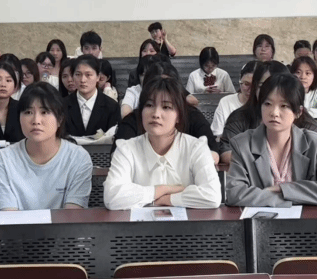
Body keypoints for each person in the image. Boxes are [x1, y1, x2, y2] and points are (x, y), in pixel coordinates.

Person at [226, 74, 317, 208]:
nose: (274, 113)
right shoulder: (242, 144)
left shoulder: (313, 142)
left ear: (298, 112)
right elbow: (234, 194)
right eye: (267, 104)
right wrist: (290, 200)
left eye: (284, 106)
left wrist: (282, 189)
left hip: (306, 220)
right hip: (259, 220)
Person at [104, 76, 221, 210]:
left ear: (179, 115)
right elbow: (111, 197)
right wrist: (163, 189)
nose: (156, 114)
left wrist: (165, 200)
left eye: (166, 107)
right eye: (149, 105)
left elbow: (212, 196)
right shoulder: (126, 149)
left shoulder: (196, 148)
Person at [0, 83, 93, 210]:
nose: (36, 121)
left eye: (44, 112)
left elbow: (72, 215)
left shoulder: (78, 158)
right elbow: (9, 215)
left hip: (64, 223)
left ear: (59, 119)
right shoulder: (4, 159)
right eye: (28, 112)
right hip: (16, 224)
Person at [219, 61, 317, 164]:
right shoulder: (240, 117)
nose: (271, 91)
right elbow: (227, 152)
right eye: (263, 86)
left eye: (278, 86)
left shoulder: (302, 118)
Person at [115, 61, 220, 164]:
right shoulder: (134, 118)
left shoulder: (192, 115)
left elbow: (212, 154)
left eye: (167, 86)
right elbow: (118, 156)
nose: (156, 114)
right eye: (156, 86)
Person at [63, 55, 120, 137]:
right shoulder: (62, 105)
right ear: (73, 76)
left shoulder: (112, 107)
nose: (83, 80)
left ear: (98, 77)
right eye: (78, 74)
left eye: (88, 75)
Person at [210, 61, 257, 137]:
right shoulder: (226, 102)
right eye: (246, 84)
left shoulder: (265, 105)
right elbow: (217, 134)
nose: (250, 90)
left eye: (255, 85)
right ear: (240, 81)